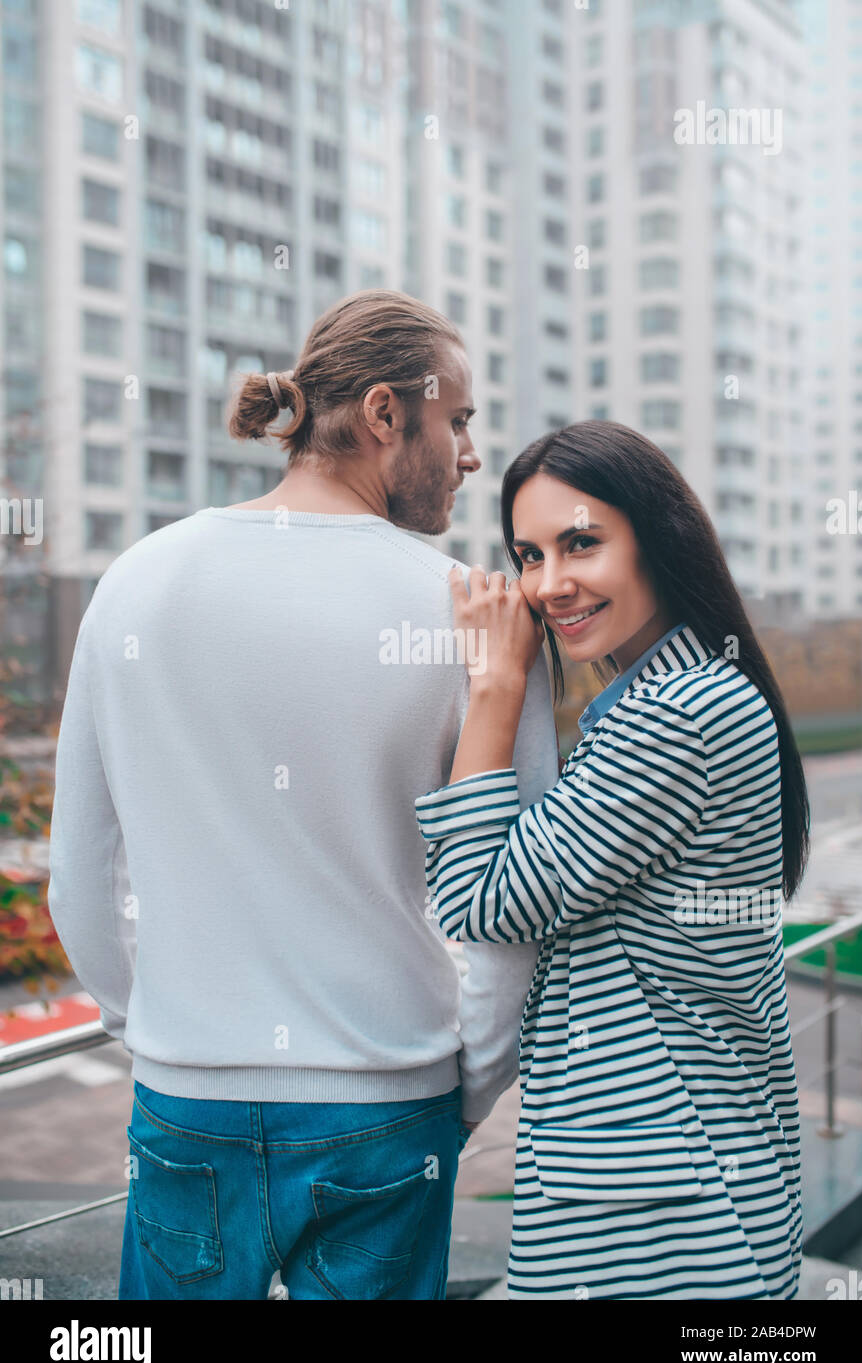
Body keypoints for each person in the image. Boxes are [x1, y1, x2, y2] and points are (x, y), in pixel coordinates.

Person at [46, 289, 558, 1299]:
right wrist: (471, 1080)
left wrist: (156, 1034)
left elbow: (79, 878)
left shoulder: (136, 581)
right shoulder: (477, 616)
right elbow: (511, 901)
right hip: (390, 1100)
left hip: (186, 1095)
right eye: (455, 419)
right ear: (382, 413)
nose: (468, 455)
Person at [415, 419, 810, 1300]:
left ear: (657, 540)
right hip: (680, 1176)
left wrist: (496, 683)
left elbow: (482, 901)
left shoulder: (679, 715)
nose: (550, 584)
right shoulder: (680, 692)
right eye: (529, 555)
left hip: (667, 1203)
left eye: (581, 543)